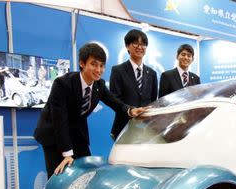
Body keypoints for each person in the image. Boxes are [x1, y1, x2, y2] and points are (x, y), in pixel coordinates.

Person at [34, 43, 148, 178]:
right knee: (58, 175)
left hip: (76, 132)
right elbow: (60, 119)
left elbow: (114, 102)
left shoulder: (99, 84)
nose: (98, 69)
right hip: (53, 132)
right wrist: (67, 153)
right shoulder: (62, 84)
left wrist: (130, 111)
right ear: (82, 63)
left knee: (85, 171)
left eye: (102, 65)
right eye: (94, 64)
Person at [110, 29, 158, 140]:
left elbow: (153, 100)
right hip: (124, 127)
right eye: (135, 43)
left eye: (143, 44)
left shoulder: (152, 73)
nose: (140, 47)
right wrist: (130, 111)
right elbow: (115, 99)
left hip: (146, 128)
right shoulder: (118, 70)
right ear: (127, 46)